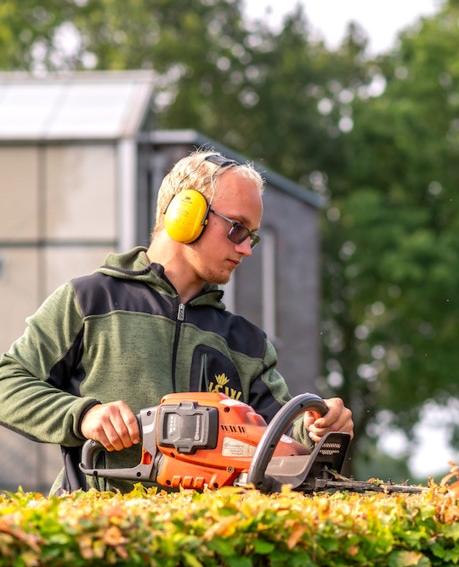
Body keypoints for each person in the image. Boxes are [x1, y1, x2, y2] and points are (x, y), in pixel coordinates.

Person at [0, 149, 353, 494]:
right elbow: (6, 383)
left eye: (252, 237)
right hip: (95, 535)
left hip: (200, 543)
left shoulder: (247, 344)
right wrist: (82, 415)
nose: (246, 248)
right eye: (237, 229)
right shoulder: (89, 302)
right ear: (186, 212)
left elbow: (283, 437)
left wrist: (320, 428)